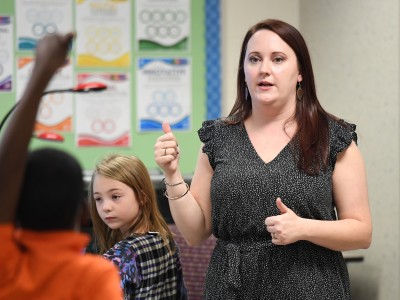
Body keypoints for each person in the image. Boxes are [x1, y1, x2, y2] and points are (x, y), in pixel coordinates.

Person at [154, 19, 372, 299]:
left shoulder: (332, 137)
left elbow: (361, 232)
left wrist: (304, 228)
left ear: (300, 72)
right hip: (230, 287)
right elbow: (196, 232)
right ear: (243, 71)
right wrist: (171, 174)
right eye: (254, 59)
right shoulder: (218, 138)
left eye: (278, 59)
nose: (264, 69)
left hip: (309, 285)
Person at [0, 33, 123, 300]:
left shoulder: (6, 266)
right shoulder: (94, 276)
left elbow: (5, 176)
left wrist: (42, 70)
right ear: (84, 212)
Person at [88, 154, 188, 299]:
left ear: (142, 197)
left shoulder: (120, 257)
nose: (105, 207)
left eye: (115, 196)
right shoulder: (167, 241)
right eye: (98, 199)